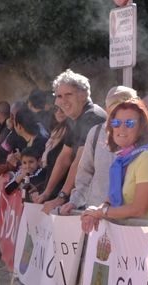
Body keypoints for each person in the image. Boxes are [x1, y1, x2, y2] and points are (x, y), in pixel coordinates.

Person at [79, 97, 148, 232]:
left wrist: (102, 212)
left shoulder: (147, 156)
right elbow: (114, 197)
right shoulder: (124, 158)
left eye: (129, 123)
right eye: (116, 123)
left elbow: (139, 209)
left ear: (141, 127)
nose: (121, 128)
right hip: (136, 239)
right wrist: (96, 210)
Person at [47, 85, 134, 215]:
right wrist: (74, 201)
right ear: (107, 108)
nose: (120, 109)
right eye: (114, 105)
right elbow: (85, 172)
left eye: (125, 104)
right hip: (96, 215)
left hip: (131, 220)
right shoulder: (96, 133)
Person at [34, 70, 106, 203]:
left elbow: (79, 162)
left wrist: (61, 197)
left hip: (95, 199)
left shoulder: (91, 117)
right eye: (59, 96)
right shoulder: (75, 118)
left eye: (68, 94)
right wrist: (47, 193)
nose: (63, 101)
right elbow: (64, 157)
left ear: (83, 95)